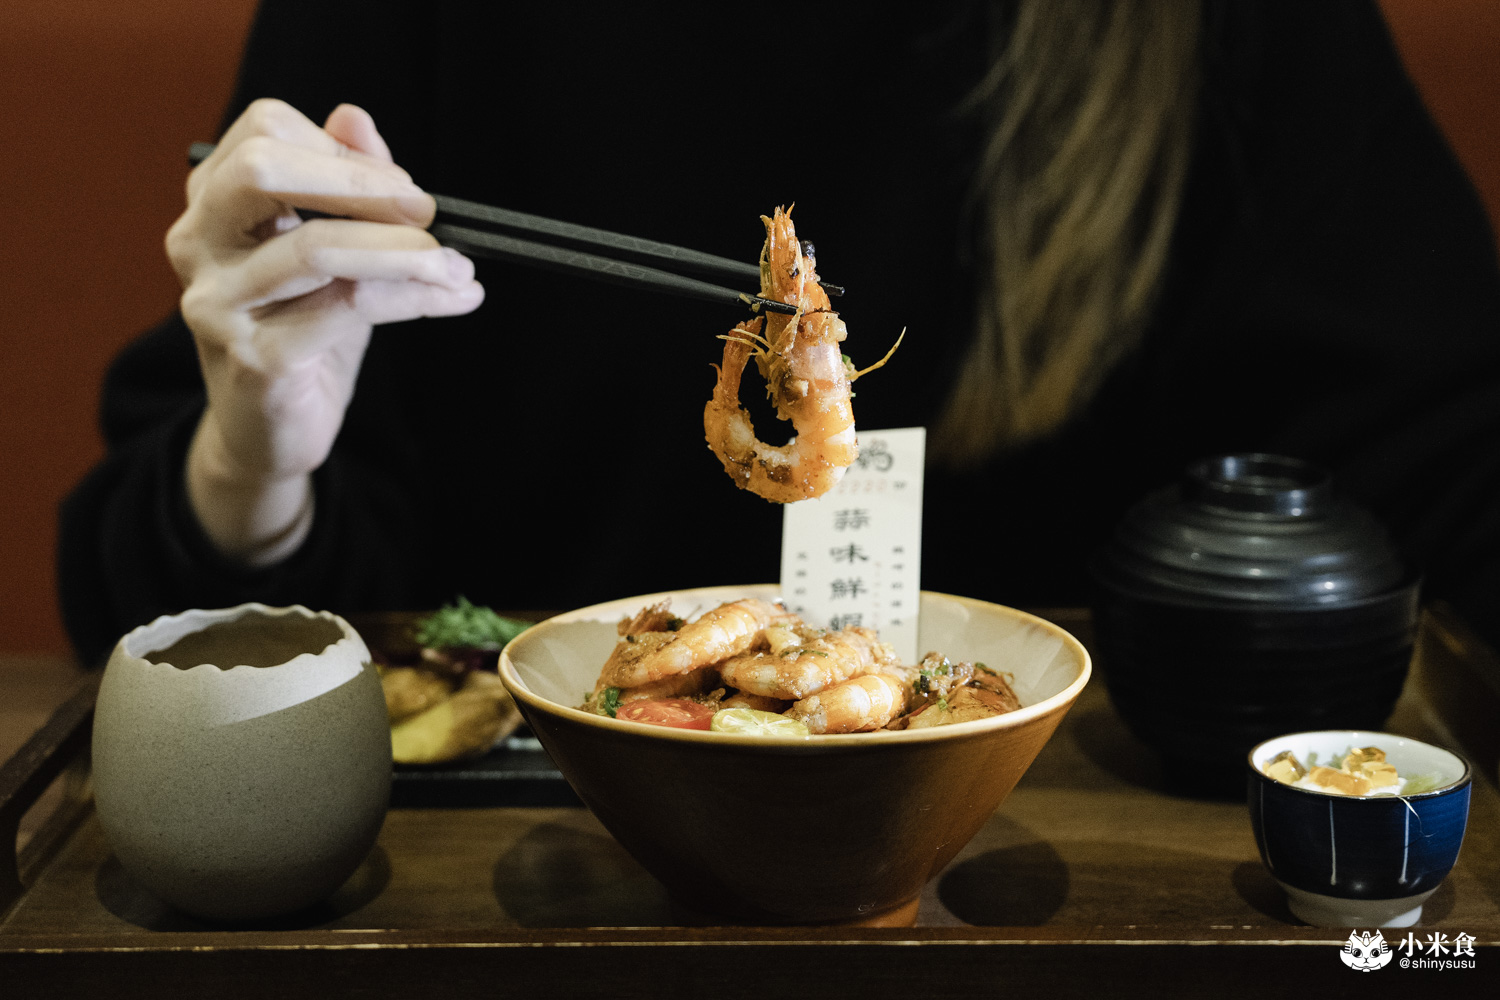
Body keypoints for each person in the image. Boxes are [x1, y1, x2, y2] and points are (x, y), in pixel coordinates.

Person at [59, 0, 1500, 666]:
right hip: (526, 875)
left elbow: (1438, 465)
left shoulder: (1197, 32)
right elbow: (149, 624)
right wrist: (254, 468)